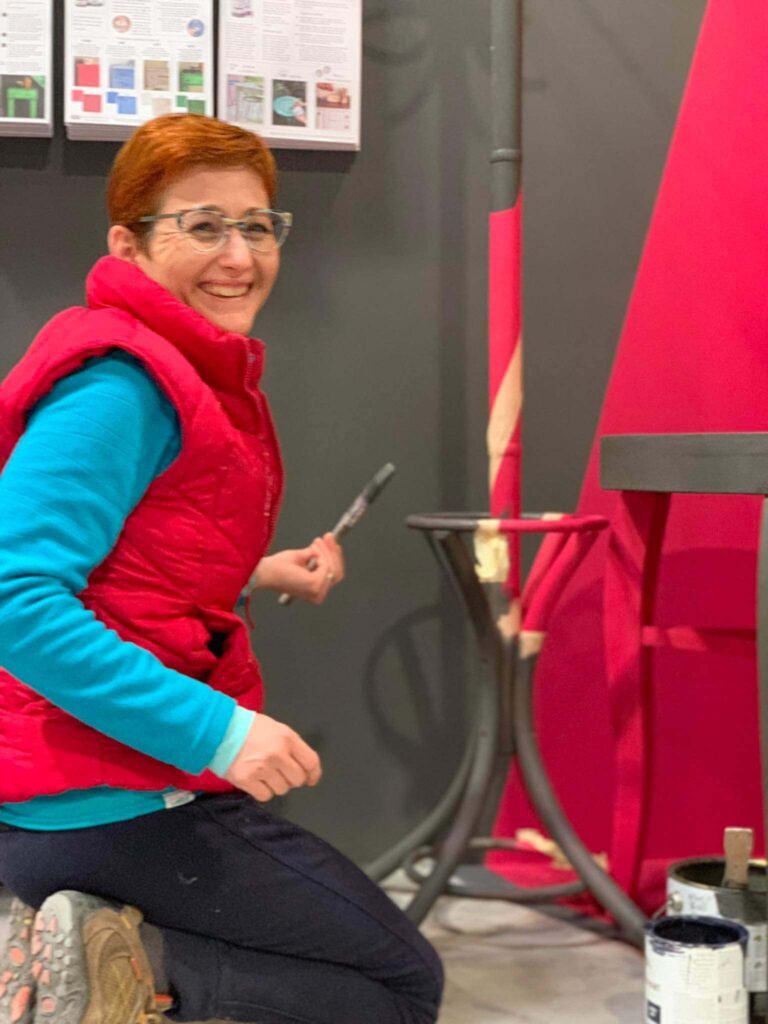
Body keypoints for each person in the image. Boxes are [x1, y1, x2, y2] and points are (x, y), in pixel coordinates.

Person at [0, 114, 443, 1024]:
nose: (239, 255)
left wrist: (259, 574)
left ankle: (101, 959)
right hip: (102, 793)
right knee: (402, 988)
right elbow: (13, 596)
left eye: (257, 225)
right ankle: (132, 969)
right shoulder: (121, 387)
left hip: (75, 781)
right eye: (203, 226)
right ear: (128, 244)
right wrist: (219, 731)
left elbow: (132, 567)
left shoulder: (178, 369)